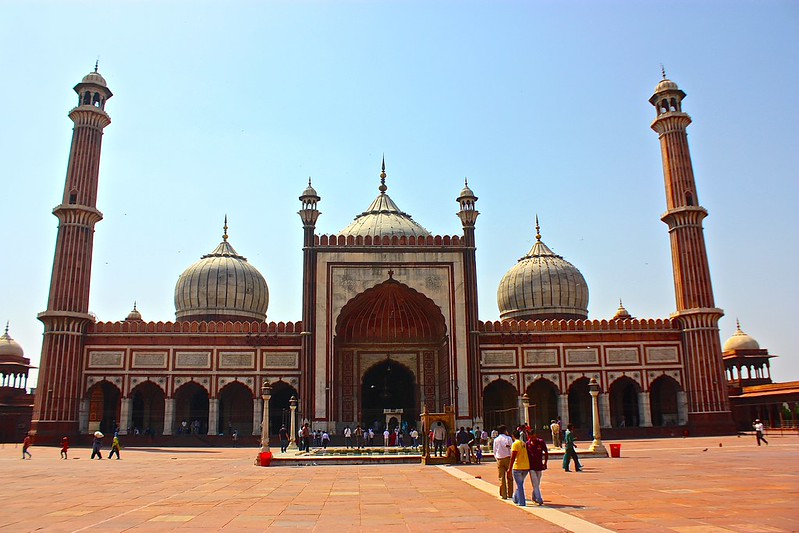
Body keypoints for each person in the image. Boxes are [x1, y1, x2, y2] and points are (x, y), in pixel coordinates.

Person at [527, 428, 549, 505]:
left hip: (539, 465)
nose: (532, 439)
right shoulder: (528, 444)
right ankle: (539, 499)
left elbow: (546, 452)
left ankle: (534, 496)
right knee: (535, 483)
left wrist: (545, 463)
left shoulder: (540, 442)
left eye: (533, 437)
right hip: (531, 466)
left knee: (538, 482)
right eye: (530, 437)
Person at [509, 429, 530, 506]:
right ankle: (515, 498)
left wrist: (509, 468)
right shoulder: (523, 443)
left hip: (518, 466)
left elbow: (513, 457)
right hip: (526, 466)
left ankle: (522, 501)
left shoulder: (515, 444)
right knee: (520, 483)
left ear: (513, 436)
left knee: (520, 485)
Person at [492, 425, 513, 499]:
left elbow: (494, 450)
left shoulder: (496, 440)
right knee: (509, 476)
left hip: (499, 459)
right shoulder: (508, 438)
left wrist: (496, 458)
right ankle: (510, 493)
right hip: (507, 458)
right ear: (505, 431)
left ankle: (503, 494)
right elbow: (511, 449)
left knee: (501, 477)